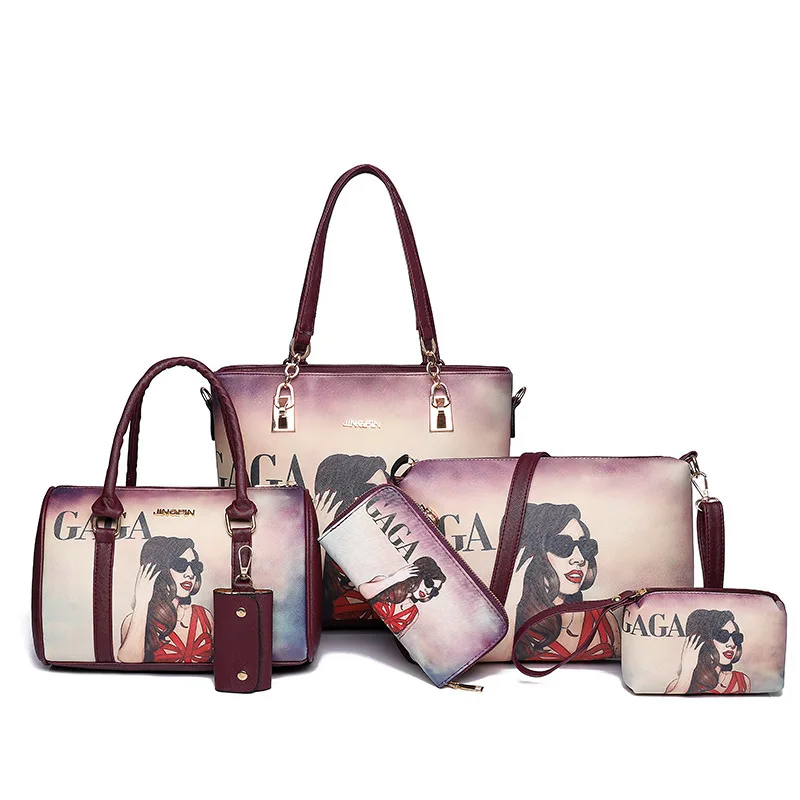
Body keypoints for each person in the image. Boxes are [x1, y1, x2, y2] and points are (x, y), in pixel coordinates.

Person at [514, 503, 619, 661]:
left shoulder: (604, 621)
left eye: (584, 546)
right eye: (563, 545)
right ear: (532, 555)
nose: (579, 559)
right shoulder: (513, 622)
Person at [314, 454, 388, 620]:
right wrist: (319, 536)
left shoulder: (383, 544)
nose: (380, 500)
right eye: (368, 490)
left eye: (385, 491)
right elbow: (308, 611)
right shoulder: (304, 549)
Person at [117, 536, 212, 663]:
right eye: (180, 565)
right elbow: (130, 660)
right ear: (159, 570)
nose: (190, 574)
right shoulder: (134, 619)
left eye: (195, 566)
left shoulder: (204, 616)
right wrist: (142, 603)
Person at [665, 609, 750, 694]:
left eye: (736, 637)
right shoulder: (678, 686)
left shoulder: (742, 681)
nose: (732, 644)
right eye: (723, 636)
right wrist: (687, 670)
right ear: (703, 640)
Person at [357, 557, 446, 638]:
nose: (428, 591)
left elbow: (397, 640)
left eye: (434, 591)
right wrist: (395, 578)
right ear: (418, 576)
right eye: (429, 583)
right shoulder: (385, 582)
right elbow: (362, 591)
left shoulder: (414, 614)